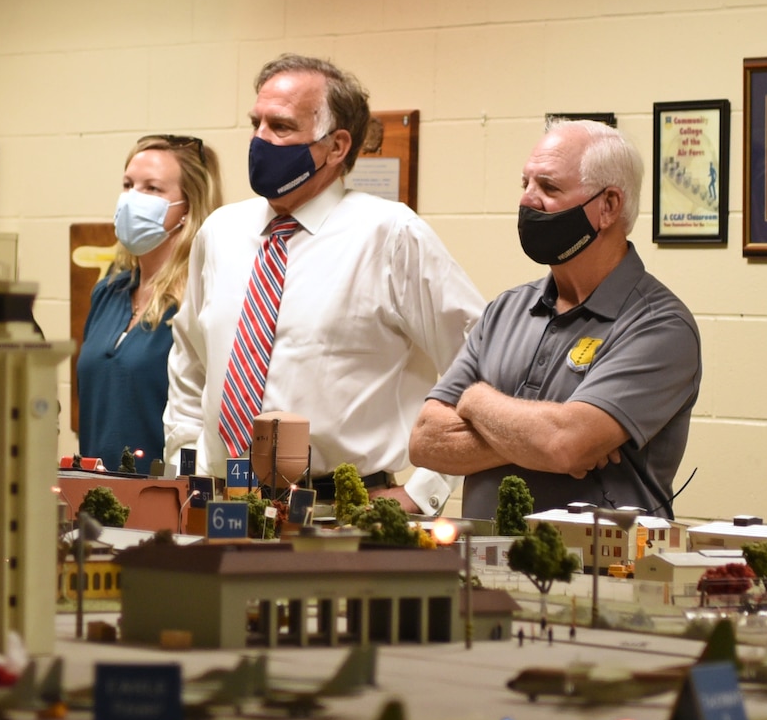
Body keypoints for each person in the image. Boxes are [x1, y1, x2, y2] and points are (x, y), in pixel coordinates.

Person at [161, 55, 483, 514]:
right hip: (218, 503)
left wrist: (424, 490)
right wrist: (183, 464)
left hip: (340, 512)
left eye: (281, 126)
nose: (260, 140)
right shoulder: (221, 232)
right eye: (256, 123)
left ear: (336, 147)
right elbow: (190, 363)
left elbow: (480, 364)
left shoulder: (390, 234)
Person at [409, 121, 701, 521]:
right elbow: (425, 441)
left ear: (608, 206)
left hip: (600, 575)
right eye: (525, 183)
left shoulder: (660, 326)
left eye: (549, 188)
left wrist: (474, 400)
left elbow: (566, 445)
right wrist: (544, 439)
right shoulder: (506, 309)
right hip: (483, 567)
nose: (528, 200)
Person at [77, 136, 223, 468]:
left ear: (188, 206)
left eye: (153, 189)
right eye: (128, 185)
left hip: (165, 499)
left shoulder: (198, 299)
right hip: (95, 496)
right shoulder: (109, 292)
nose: (132, 199)